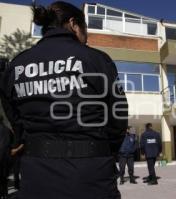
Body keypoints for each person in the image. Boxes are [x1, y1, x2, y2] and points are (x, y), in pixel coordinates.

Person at [0, 1, 128, 199]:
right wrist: (101, 150)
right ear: (73, 24)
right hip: (91, 176)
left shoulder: (17, 64)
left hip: (36, 176)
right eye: (86, 30)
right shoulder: (97, 59)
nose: (86, 38)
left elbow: (15, 119)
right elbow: (118, 118)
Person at [0, 115, 12, 199]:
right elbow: (12, 143)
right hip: (6, 158)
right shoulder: (8, 130)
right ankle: (5, 194)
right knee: (4, 177)